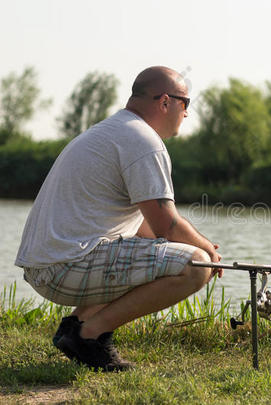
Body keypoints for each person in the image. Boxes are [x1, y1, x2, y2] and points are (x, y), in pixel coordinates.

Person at [14, 66, 222, 371]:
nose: (187, 113)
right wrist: (209, 252)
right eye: (185, 103)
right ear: (165, 102)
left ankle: (76, 327)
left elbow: (147, 229)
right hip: (66, 265)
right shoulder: (143, 141)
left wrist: (181, 246)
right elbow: (168, 224)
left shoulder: (113, 130)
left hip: (48, 265)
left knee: (174, 254)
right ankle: (90, 336)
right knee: (195, 265)